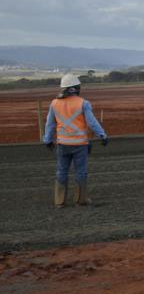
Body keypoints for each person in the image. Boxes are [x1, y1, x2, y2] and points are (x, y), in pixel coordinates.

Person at [43, 73, 108, 207]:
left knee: (61, 171)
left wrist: (48, 140)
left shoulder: (54, 103)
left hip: (62, 144)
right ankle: (81, 199)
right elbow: (92, 122)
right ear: (76, 88)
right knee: (81, 171)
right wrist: (102, 135)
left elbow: (49, 124)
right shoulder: (83, 103)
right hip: (80, 144)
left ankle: (59, 201)